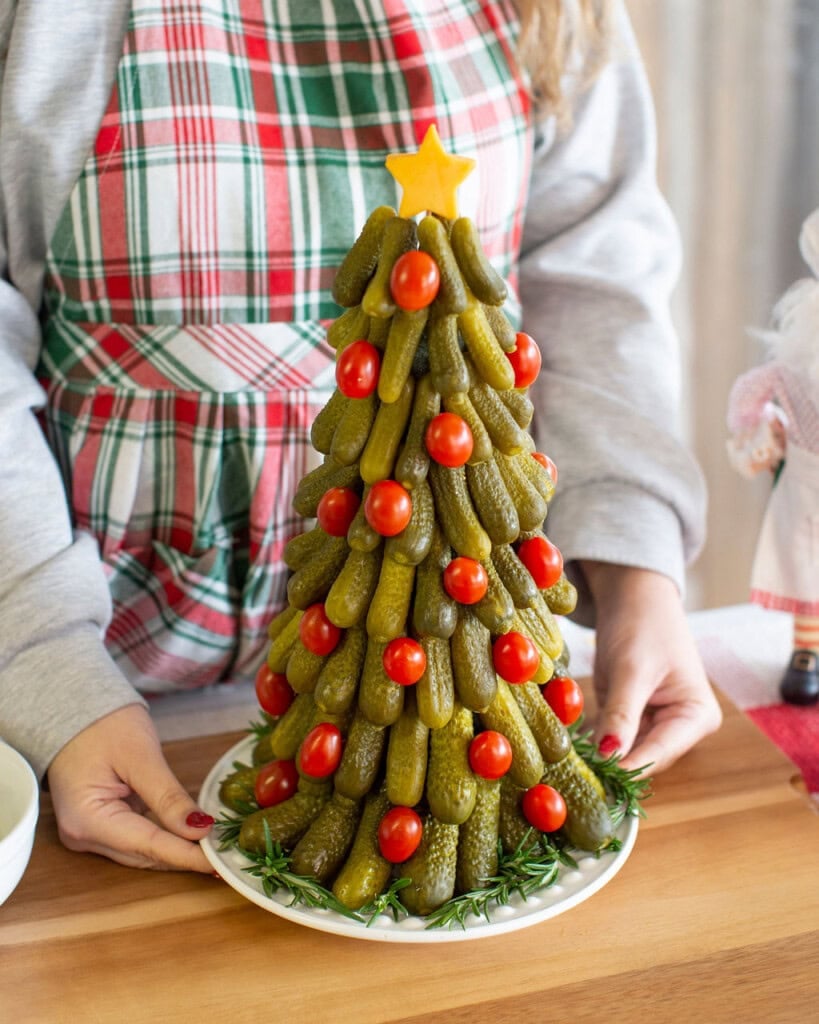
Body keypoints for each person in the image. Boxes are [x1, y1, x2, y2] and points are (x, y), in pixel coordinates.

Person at [0, 0, 720, 873]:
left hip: (459, 685)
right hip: (91, 720)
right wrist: (45, 666)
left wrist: (634, 561)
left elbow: (590, 272)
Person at [727, 207, 819, 706]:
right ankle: (807, 651)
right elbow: (750, 392)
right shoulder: (796, 365)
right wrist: (758, 429)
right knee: (806, 567)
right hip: (808, 483)